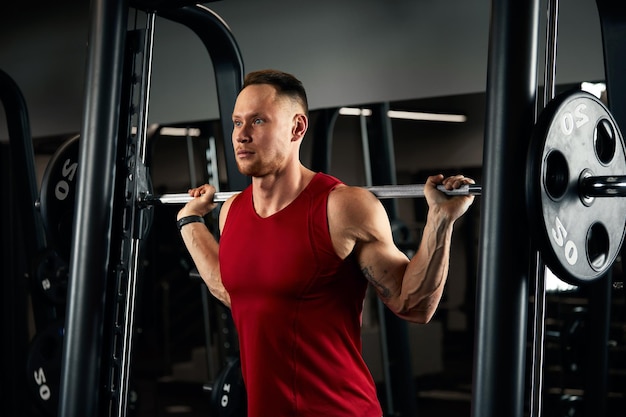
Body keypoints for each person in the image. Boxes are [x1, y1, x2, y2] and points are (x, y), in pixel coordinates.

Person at [176, 69, 475, 416]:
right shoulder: (231, 212)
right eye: (237, 122)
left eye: (258, 121)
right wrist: (190, 221)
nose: (241, 135)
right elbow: (231, 288)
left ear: (297, 128)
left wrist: (440, 219)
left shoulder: (342, 207)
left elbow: (414, 305)